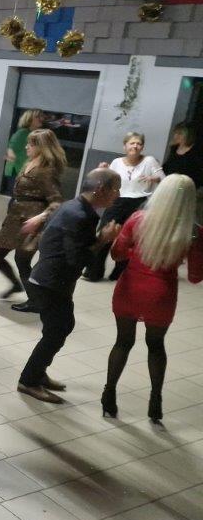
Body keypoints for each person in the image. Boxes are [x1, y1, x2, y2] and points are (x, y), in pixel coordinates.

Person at [102, 174, 202, 423]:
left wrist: (132, 251)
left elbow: (117, 254)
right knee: (156, 346)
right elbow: (195, 276)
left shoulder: (138, 219)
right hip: (162, 294)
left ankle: (109, 393)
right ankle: (155, 399)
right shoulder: (193, 232)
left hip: (130, 288)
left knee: (123, 342)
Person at [17, 168, 122, 404]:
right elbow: (79, 259)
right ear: (100, 189)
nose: (118, 194)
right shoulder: (80, 215)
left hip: (50, 280)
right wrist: (103, 240)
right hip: (50, 282)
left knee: (58, 328)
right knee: (57, 330)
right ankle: (29, 380)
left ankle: (37, 372)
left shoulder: (74, 207)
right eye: (116, 189)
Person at [0, 129, 65, 312]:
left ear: (42, 147)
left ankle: (35, 301)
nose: (26, 147)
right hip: (15, 217)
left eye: (31, 144)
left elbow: (56, 201)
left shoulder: (47, 171)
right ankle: (16, 284)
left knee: (22, 260)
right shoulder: (29, 163)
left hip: (33, 219)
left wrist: (40, 218)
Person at [85, 132, 164, 281]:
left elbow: (163, 178)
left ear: (142, 147)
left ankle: (120, 273)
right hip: (117, 201)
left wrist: (154, 178)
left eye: (139, 143)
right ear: (125, 146)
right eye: (132, 143)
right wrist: (103, 170)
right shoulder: (117, 162)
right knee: (104, 233)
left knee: (128, 239)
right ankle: (93, 271)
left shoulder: (149, 161)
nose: (135, 146)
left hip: (138, 202)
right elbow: (107, 181)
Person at [3, 109, 44, 195]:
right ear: (29, 119)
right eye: (37, 117)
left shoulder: (35, 134)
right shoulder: (22, 133)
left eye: (41, 116)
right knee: (18, 196)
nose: (41, 119)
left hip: (27, 170)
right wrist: (10, 154)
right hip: (17, 170)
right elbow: (11, 147)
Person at [163, 122, 201, 189]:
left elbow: (196, 176)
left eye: (180, 134)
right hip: (171, 183)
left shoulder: (196, 152)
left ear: (188, 136)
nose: (176, 136)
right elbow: (167, 166)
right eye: (175, 133)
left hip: (185, 187)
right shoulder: (174, 148)